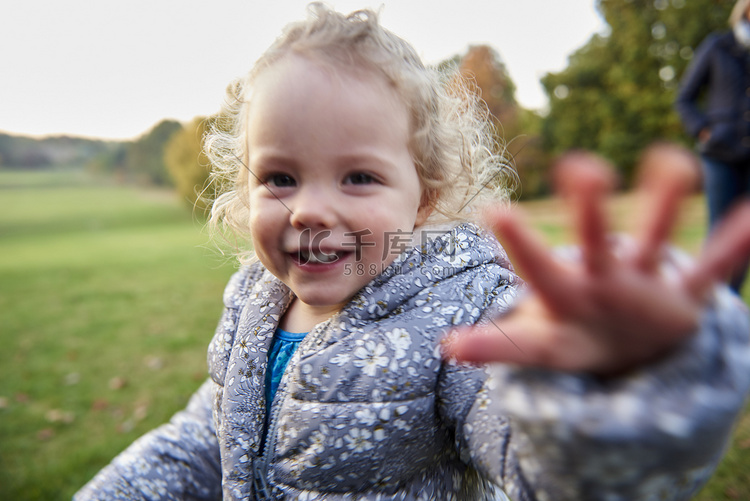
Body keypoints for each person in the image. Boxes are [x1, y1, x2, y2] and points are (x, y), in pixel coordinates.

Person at [76, 4, 750, 500]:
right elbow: (207, 436)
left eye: (358, 177)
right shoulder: (253, 306)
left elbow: (535, 464)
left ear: (421, 198)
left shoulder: (460, 317)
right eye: (280, 177)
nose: (308, 207)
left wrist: (612, 384)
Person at [676, 0, 750, 294]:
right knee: (719, 233)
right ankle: (706, 302)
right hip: (720, 153)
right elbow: (685, 99)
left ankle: (729, 302)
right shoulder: (718, 46)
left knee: (746, 235)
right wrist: (705, 132)